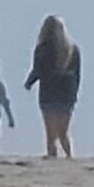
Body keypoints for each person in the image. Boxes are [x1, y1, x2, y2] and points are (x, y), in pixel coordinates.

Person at [26, 16, 80, 157]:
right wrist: (74, 94)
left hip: (48, 94)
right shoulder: (73, 50)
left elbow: (38, 70)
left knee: (50, 134)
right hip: (67, 94)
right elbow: (77, 75)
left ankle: (52, 158)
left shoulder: (42, 49)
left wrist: (29, 83)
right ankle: (69, 157)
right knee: (63, 132)